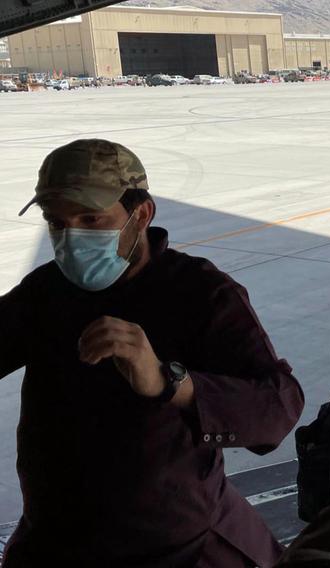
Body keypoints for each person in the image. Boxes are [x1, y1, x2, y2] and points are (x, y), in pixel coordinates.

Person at [1, 139, 305, 567]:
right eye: (56, 223)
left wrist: (170, 383)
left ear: (141, 214)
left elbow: (278, 408)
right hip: (55, 544)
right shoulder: (47, 291)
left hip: (173, 549)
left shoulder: (199, 293)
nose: (70, 240)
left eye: (91, 219)